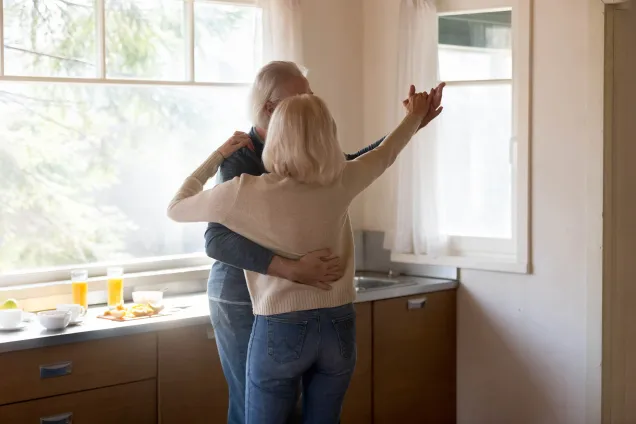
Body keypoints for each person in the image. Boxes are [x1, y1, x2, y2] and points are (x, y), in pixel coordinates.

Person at [167, 85, 443, 423]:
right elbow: (386, 153)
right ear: (329, 136)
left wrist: (217, 157)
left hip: (281, 327)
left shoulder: (246, 191)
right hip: (339, 325)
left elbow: (176, 208)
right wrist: (414, 116)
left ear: (276, 137)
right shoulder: (344, 179)